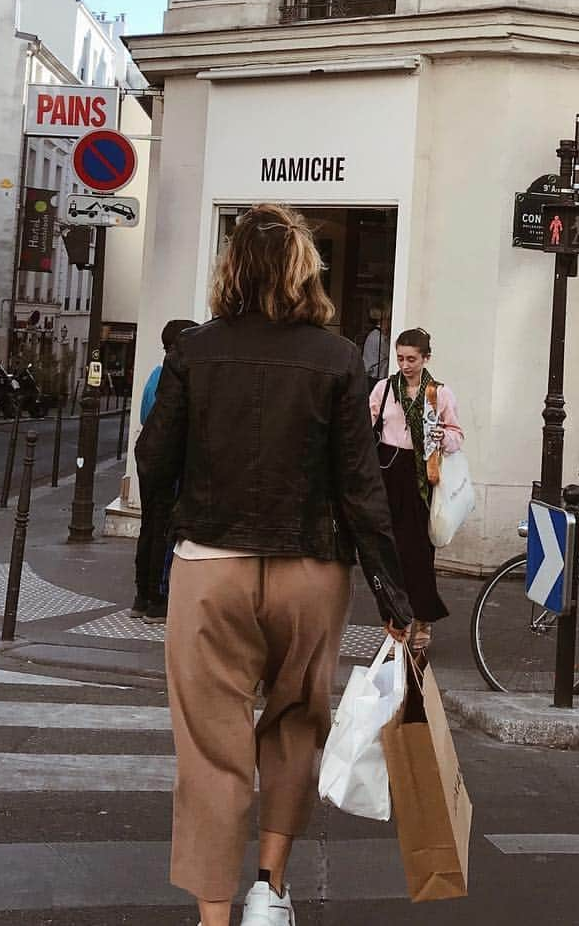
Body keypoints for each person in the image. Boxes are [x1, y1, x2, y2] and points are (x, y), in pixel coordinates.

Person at [135, 203, 412, 926]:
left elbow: (151, 460)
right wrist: (395, 597)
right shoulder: (340, 357)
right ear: (302, 271)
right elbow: (361, 486)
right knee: (294, 722)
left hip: (211, 565)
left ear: (231, 268)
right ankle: (269, 889)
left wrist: (173, 533)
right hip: (310, 570)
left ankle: (214, 916)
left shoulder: (194, 350)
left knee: (210, 747)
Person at [368, 327, 463, 655]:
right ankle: (396, 622)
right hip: (386, 472)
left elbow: (456, 437)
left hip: (421, 478)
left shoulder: (439, 394)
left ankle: (422, 619)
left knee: (419, 553)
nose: (405, 365)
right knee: (387, 554)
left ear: (426, 358)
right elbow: (369, 427)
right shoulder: (384, 389)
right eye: (400, 358)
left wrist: (442, 436)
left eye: (411, 359)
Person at [130, 317, 198, 620]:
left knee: (148, 526)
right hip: (168, 461)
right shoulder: (180, 375)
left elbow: (145, 415)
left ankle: (141, 596)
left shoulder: (155, 374)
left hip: (147, 455)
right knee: (164, 529)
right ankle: (158, 598)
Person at [361, 305, 389, 386]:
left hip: (371, 375)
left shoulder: (373, 334)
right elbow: (389, 353)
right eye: (388, 320)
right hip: (375, 377)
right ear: (382, 321)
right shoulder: (379, 337)